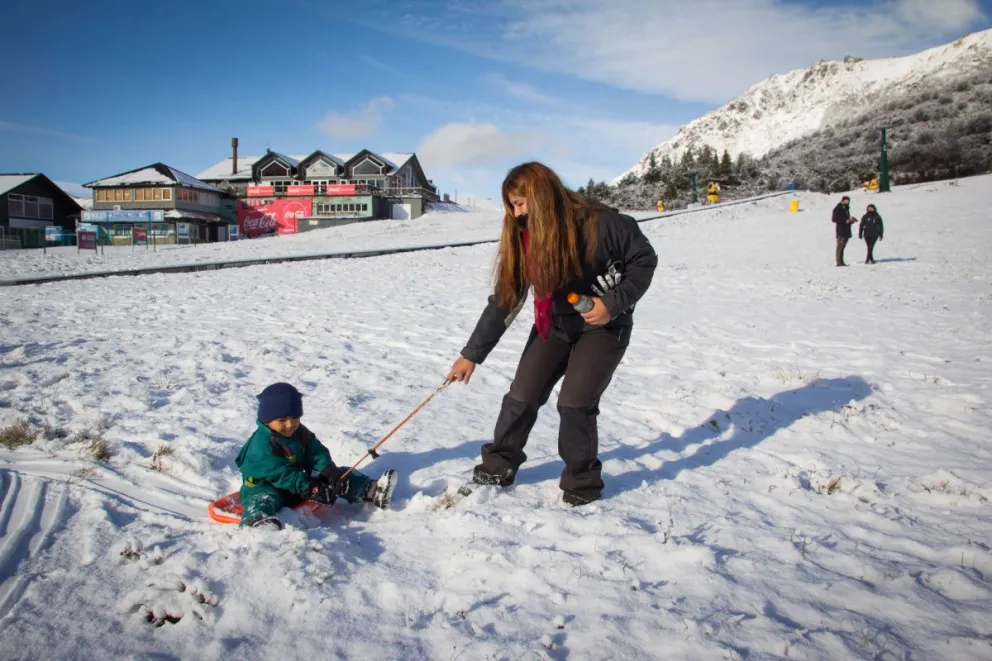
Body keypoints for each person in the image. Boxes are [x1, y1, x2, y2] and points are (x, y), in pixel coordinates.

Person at [446, 162, 658, 506]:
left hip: (603, 328)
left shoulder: (601, 222)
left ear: (543, 196)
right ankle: (499, 465)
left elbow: (643, 260)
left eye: (521, 203)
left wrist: (612, 303)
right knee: (521, 396)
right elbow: (506, 298)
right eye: (511, 206)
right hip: (555, 324)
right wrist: (471, 354)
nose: (516, 214)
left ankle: (582, 482)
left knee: (574, 404)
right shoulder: (523, 235)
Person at [235, 382, 396, 529]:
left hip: (298, 485)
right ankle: (256, 522)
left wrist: (328, 470)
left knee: (340, 476)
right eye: (282, 420)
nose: (290, 425)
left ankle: (372, 490)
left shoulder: (298, 432)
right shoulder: (261, 446)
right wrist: (311, 489)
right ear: (266, 420)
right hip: (266, 486)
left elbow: (315, 451)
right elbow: (282, 475)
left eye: (295, 418)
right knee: (262, 499)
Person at [831, 195, 857, 266]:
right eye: (845, 201)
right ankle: (839, 262)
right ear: (842, 201)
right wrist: (845, 221)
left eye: (848, 201)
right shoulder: (837, 209)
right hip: (840, 230)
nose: (846, 202)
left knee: (843, 247)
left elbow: (846, 219)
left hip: (846, 230)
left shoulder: (846, 208)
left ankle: (841, 262)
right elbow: (834, 219)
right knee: (840, 246)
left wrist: (851, 220)